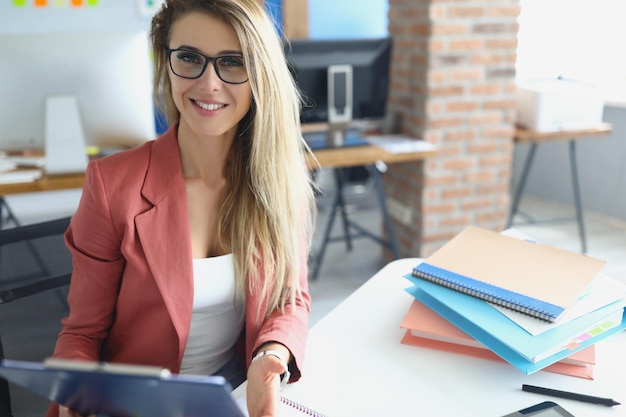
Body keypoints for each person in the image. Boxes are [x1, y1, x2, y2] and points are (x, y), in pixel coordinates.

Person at [47, 0, 316, 416]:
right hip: (134, 405)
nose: (209, 83)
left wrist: (272, 357)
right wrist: (75, 388)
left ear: (261, 75)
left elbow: (290, 298)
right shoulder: (111, 186)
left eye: (233, 62)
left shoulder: (279, 179)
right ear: (166, 63)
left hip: (231, 393)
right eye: (189, 57)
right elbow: (82, 334)